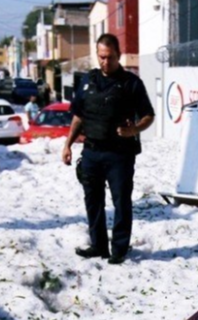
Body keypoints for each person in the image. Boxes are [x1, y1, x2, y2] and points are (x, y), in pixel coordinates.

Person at [62, 33, 155, 265]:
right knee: (93, 201)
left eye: (110, 57)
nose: (105, 62)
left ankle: (119, 249)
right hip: (91, 151)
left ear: (119, 55)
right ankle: (98, 245)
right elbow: (78, 117)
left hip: (119, 155)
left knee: (121, 202)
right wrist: (67, 144)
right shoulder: (87, 81)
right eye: (101, 57)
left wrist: (134, 130)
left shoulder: (131, 83)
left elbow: (148, 115)